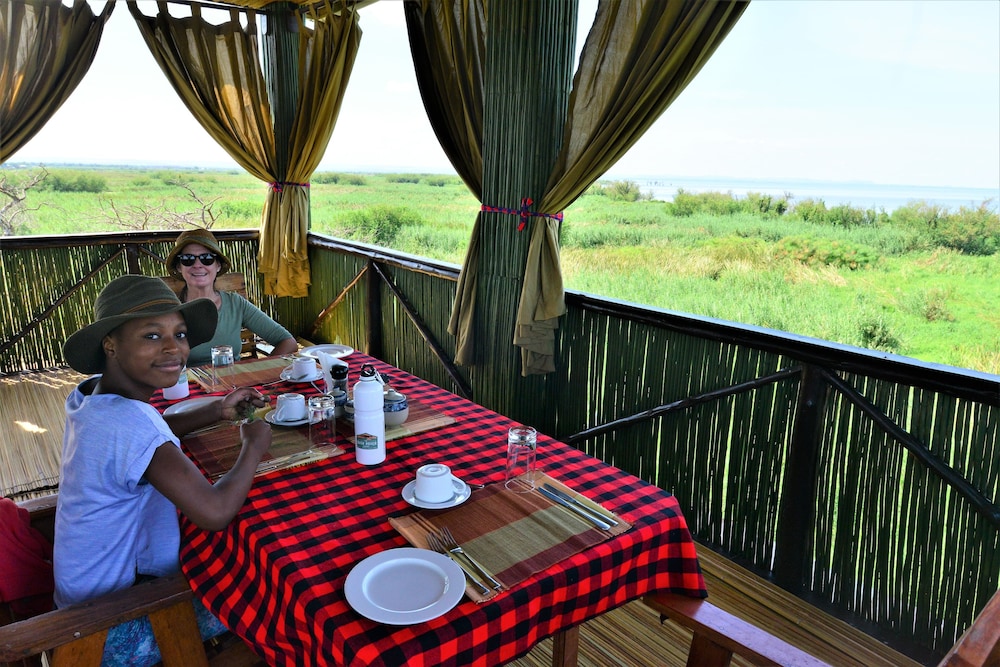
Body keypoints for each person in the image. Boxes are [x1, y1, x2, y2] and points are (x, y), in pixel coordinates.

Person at [55, 274, 273, 666]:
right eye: (152, 336)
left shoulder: (91, 395)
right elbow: (214, 512)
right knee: (263, 589)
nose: (174, 349)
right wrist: (253, 446)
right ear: (110, 345)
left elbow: (150, 433)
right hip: (109, 626)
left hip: (81, 596)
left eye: (180, 334)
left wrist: (217, 409)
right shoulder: (129, 425)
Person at [164, 228, 298, 365]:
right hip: (189, 378)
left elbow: (288, 342)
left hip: (232, 376)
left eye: (207, 258)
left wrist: (261, 370)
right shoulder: (169, 311)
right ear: (179, 267)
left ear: (218, 266)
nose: (197, 265)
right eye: (188, 259)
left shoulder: (235, 304)